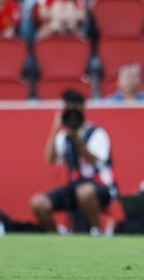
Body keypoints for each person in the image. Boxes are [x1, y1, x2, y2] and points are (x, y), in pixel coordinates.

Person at [29, 89, 116, 236]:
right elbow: (50, 159)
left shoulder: (97, 133)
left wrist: (78, 140)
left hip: (99, 187)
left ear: (83, 108)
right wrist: (55, 131)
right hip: (74, 187)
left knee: (84, 192)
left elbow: (96, 160)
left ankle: (96, 232)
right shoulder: (64, 136)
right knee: (38, 203)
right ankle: (56, 237)